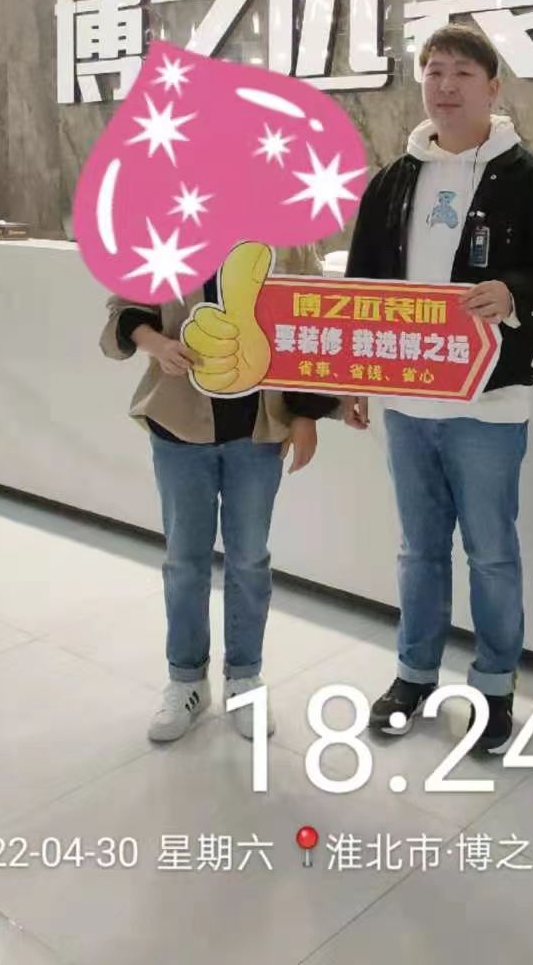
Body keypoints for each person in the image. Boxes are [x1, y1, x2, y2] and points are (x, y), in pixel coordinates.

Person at [342, 24, 533, 754]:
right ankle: (414, 675)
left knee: (491, 553)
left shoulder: (527, 179)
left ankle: (494, 688)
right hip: (405, 403)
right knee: (419, 551)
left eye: (462, 73)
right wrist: (350, 380)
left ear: (493, 87)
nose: (445, 86)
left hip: (488, 402)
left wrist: (514, 294)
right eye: (434, 72)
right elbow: (361, 287)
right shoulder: (393, 181)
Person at [100, 244, 336, 744]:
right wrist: (158, 344)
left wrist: (307, 413)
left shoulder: (290, 237)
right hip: (179, 424)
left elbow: (312, 319)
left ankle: (244, 678)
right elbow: (125, 309)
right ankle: (186, 680)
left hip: (259, 429)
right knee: (185, 559)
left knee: (249, 558)